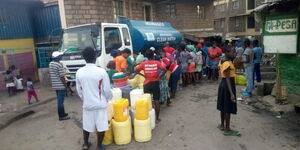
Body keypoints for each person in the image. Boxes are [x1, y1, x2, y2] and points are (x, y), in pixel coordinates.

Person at [76, 47, 112, 150]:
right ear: (95, 57)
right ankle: (99, 146)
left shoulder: (79, 72)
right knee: (101, 126)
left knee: (87, 125)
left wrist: (85, 99)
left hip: (87, 104)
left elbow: (79, 90)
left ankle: (86, 144)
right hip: (100, 104)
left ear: (84, 58)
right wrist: (108, 99)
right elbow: (107, 90)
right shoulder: (101, 72)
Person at [135, 49, 166, 123]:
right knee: (157, 100)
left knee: (147, 101)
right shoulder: (157, 63)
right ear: (153, 55)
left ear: (146, 56)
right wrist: (159, 77)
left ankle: (148, 117)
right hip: (155, 83)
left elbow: (136, 70)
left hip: (147, 83)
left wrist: (144, 75)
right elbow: (164, 70)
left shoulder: (143, 64)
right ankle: (157, 118)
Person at [217, 46, 240, 136]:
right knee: (227, 107)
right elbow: (227, 78)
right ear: (227, 52)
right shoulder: (227, 63)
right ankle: (227, 129)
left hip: (223, 85)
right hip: (228, 85)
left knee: (223, 106)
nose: (234, 54)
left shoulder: (223, 60)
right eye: (233, 52)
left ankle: (222, 125)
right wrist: (231, 94)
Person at [49, 51, 70, 121]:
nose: (61, 56)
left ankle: (63, 113)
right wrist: (66, 87)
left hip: (55, 85)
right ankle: (61, 116)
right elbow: (62, 77)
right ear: (57, 57)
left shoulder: (51, 64)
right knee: (60, 102)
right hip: (60, 85)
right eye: (60, 56)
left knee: (60, 101)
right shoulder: (59, 65)